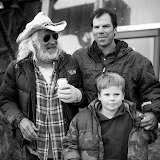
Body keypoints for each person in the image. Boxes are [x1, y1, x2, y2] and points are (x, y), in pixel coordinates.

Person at [0, 12, 87, 160]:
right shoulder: (17, 68)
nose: (53, 41)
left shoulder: (70, 62)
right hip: (35, 151)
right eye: (46, 38)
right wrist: (20, 120)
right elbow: (5, 98)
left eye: (55, 36)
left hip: (68, 149)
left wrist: (77, 96)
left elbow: (86, 97)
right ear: (33, 43)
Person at [72, 8, 160, 130]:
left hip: (127, 130)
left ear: (115, 29)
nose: (100, 31)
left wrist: (154, 113)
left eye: (106, 26)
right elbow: (76, 90)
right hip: (91, 131)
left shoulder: (137, 60)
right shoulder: (79, 57)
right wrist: (76, 96)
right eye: (96, 27)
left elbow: (152, 91)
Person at [63, 72, 157, 160]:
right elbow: (69, 144)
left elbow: (154, 141)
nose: (112, 99)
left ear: (123, 95)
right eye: (107, 94)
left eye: (116, 94)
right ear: (99, 96)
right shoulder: (81, 119)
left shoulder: (137, 118)